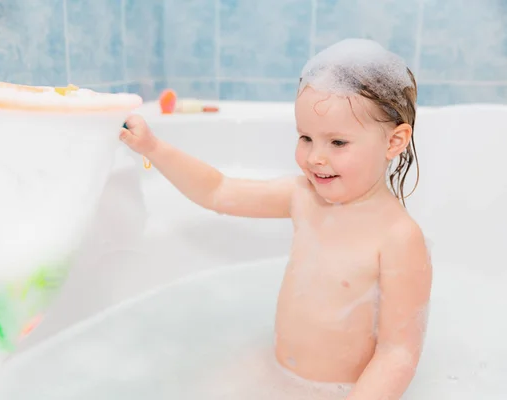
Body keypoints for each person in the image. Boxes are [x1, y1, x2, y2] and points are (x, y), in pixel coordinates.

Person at [118, 38, 432, 400]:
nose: (315, 157)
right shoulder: (302, 197)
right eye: (306, 137)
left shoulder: (398, 237)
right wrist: (154, 148)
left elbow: (398, 353)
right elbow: (217, 190)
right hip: (274, 369)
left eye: (338, 143)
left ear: (394, 142)